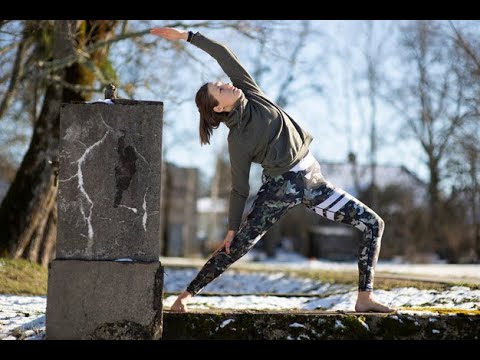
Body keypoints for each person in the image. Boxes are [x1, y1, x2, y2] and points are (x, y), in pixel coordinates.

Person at [150, 27, 394, 313]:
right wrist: (231, 228)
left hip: (314, 182)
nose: (226, 85)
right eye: (220, 90)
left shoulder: (251, 93)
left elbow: (223, 55)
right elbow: (239, 187)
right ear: (217, 109)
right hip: (279, 188)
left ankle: (364, 297)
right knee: (237, 246)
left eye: (221, 83)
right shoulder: (237, 140)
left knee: (373, 223)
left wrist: (187, 37)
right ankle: (186, 295)